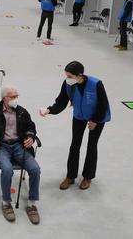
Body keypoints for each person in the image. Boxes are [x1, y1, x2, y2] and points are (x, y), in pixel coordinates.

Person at [39, 61, 111, 191]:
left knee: (92, 145)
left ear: (80, 75)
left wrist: (95, 120)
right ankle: (70, 176)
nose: (68, 79)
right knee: (74, 145)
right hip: (79, 115)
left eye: (70, 76)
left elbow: (103, 104)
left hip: (98, 117)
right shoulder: (68, 84)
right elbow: (61, 101)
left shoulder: (96, 84)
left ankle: (87, 177)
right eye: (67, 76)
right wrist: (49, 110)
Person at [0, 85, 41, 225]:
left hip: (19, 146)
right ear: (4, 98)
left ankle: (32, 204)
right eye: (12, 97)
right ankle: (6, 202)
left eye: (16, 96)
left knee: (35, 169)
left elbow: (31, 127)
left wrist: (30, 137)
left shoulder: (22, 112)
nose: (15, 99)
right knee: (7, 170)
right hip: (2, 147)